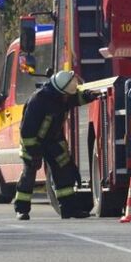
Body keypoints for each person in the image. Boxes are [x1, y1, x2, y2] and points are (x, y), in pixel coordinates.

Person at [14, 70, 103, 221]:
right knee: (29, 174)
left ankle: (69, 209)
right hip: (33, 142)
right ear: (59, 91)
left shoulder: (62, 96)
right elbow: (26, 130)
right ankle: (21, 210)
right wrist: (33, 152)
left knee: (64, 172)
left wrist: (89, 95)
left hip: (53, 141)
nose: (67, 97)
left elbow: (75, 98)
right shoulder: (38, 100)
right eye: (66, 95)